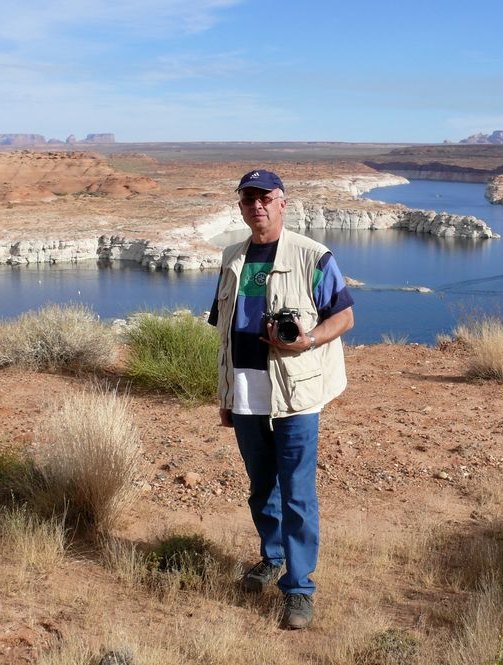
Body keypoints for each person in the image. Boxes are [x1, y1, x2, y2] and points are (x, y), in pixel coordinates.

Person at [207, 169, 354, 629]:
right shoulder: (232, 258)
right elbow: (225, 334)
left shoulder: (314, 256)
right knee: (260, 488)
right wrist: (226, 394)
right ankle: (271, 557)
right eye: (248, 199)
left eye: (265, 198)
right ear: (241, 207)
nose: (257, 206)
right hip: (247, 392)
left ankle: (300, 587)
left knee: (297, 492)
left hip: (297, 393)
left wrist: (306, 341)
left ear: (283, 203)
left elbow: (345, 316)